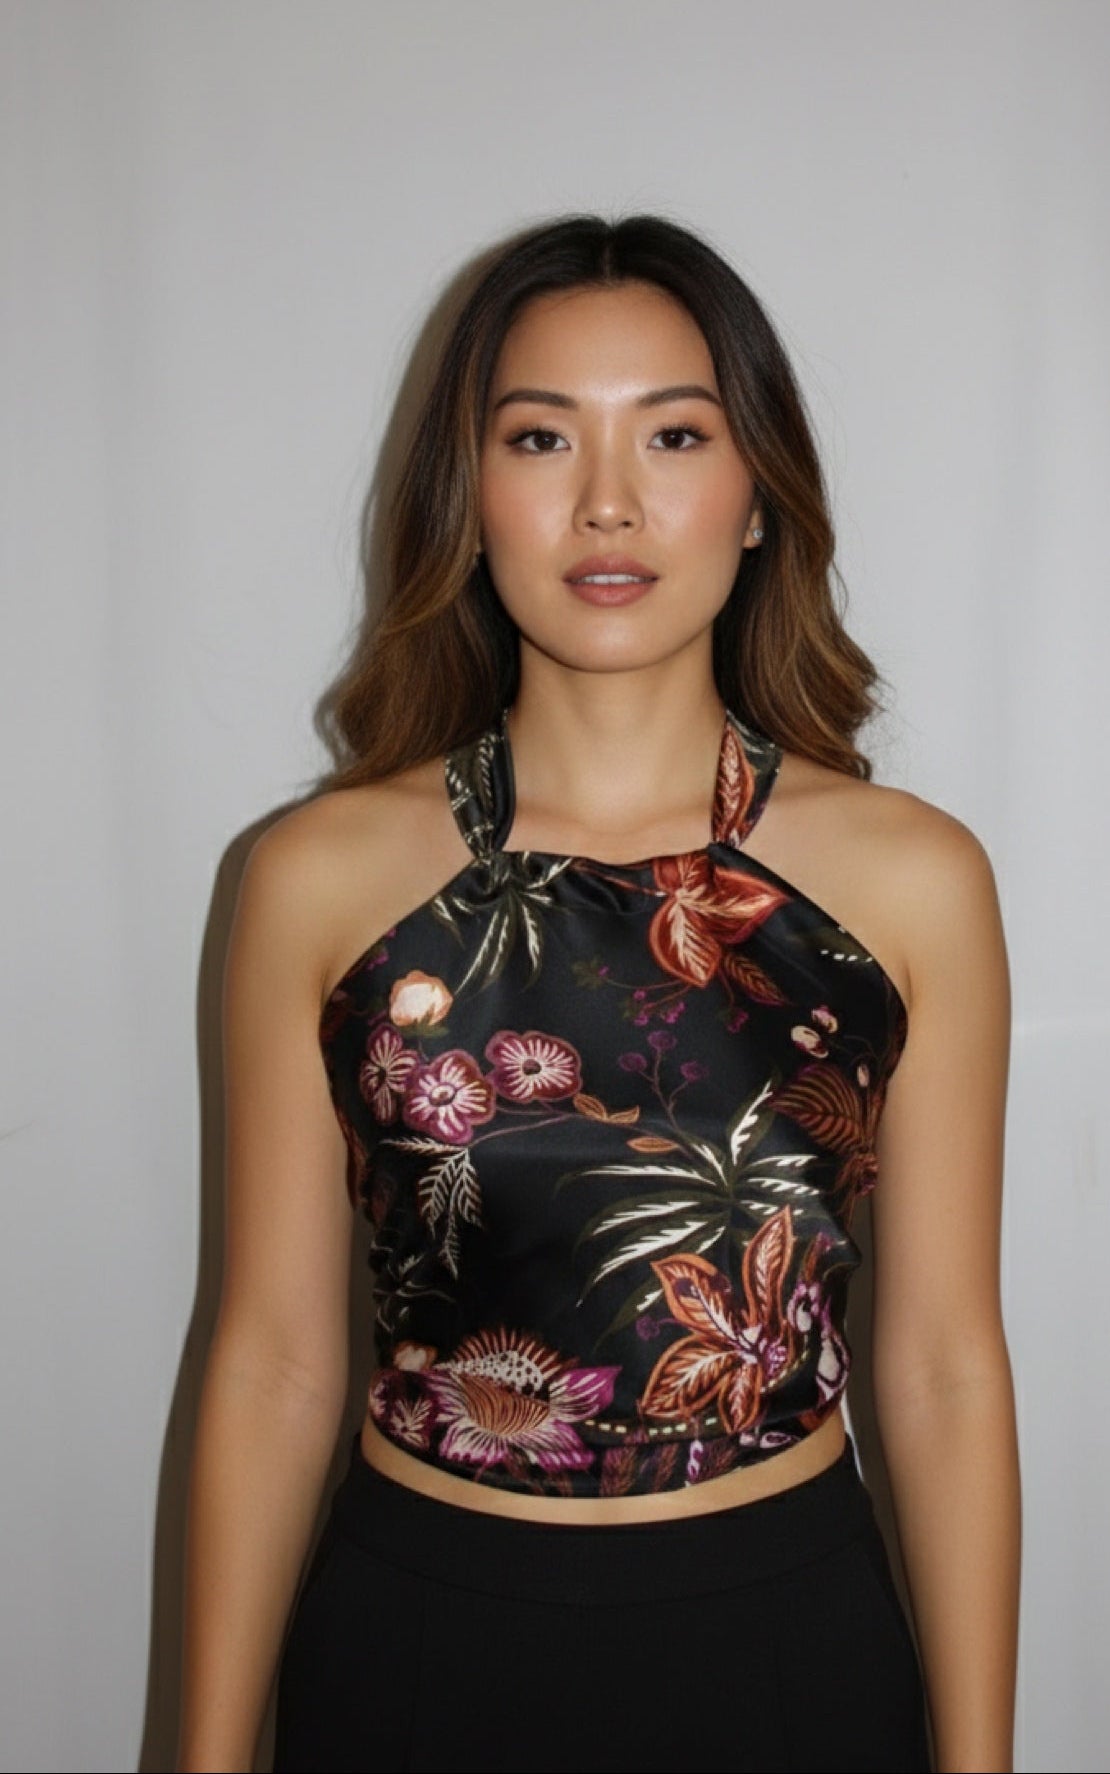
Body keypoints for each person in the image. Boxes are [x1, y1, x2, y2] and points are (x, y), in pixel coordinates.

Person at [177, 214, 1020, 1774]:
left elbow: (947, 1364)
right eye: (542, 435)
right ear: (470, 493)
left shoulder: (911, 884)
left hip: (783, 1643)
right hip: (417, 1641)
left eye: (676, 432)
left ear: (758, 495)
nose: (609, 499)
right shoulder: (315, 879)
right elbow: (277, 1357)